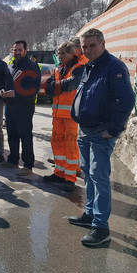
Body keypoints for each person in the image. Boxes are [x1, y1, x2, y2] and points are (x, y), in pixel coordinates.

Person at [68, 28, 134, 246]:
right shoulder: (91, 66)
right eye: (85, 47)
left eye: (92, 45)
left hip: (100, 132)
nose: (88, 50)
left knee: (99, 177)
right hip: (85, 130)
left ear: (103, 44)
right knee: (87, 173)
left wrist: (113, 129)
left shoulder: (113, 67)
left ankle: (101, 227)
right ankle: (90, 214)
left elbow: (126, 100)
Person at [43, 41, 84, 191]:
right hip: (58, 114)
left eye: (63, 53)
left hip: (71, 115)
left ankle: (70, 178)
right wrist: (58, 86)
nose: (60, 56)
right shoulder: (59, 69)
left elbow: (72, 84)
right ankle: (59, 173)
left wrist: (56, 86)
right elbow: (48, 87)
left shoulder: (79, 68)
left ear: (71, 53)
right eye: (59, 53)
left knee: (70, 146)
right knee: (57, 143)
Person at [0, 40, 41, 176]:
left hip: (25, 107)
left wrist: (16, 93)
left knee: (25, 136)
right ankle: (13, 160)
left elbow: (33, 88)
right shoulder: (10, 66)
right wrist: (2, 91)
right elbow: (5, 83)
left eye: (19, 50)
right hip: (11, 107)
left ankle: (28, 165)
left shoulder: (32, 67)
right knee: (12, 134)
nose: (17, 52)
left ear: (25, 51)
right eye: (14, 50)